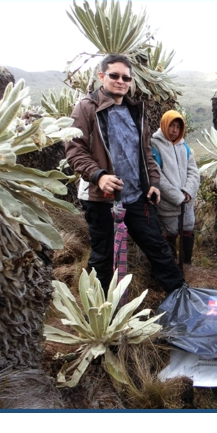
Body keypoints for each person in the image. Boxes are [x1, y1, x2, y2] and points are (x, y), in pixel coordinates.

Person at [66, 54, 186, 294]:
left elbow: (146, 152)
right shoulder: (87, 108)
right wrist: (98, 176)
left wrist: (153, 182)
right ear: (102, 76)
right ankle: (99, 310)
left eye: (126, 78)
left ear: (131, 81)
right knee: (103, 257)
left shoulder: (135, 110)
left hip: (136, 195)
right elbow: (74, 149)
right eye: (114, 76)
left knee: (157, 247)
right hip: (101, 199)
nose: (120, 81)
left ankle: (181, 296)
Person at [150, 110, 199, 266]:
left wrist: (188, 192)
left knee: (188, 229)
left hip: (187, 202)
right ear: (164, 125)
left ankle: (186, 265)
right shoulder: (154, 146)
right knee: (170, 233)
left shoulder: (183, 146)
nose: (174, 130)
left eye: (178, 127)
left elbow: (193, 171)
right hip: (167, 203)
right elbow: (158, 177)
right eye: (171, 126)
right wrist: (178, 197)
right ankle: (170, 268)